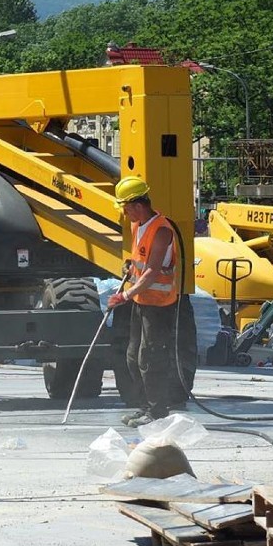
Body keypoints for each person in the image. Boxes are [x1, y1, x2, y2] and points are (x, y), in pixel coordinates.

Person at [108, 176, 189, 428]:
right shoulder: (138, 225)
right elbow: (141, 262)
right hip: (142, 301)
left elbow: (153, 271)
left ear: (138, 205)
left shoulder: (162, 230)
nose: (123, 212)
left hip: (159, 305)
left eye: (125, 207)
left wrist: (125, 295)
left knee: (149, 358)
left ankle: (157, 412)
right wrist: (130, 267)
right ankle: (144, 407)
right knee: (133, 357)